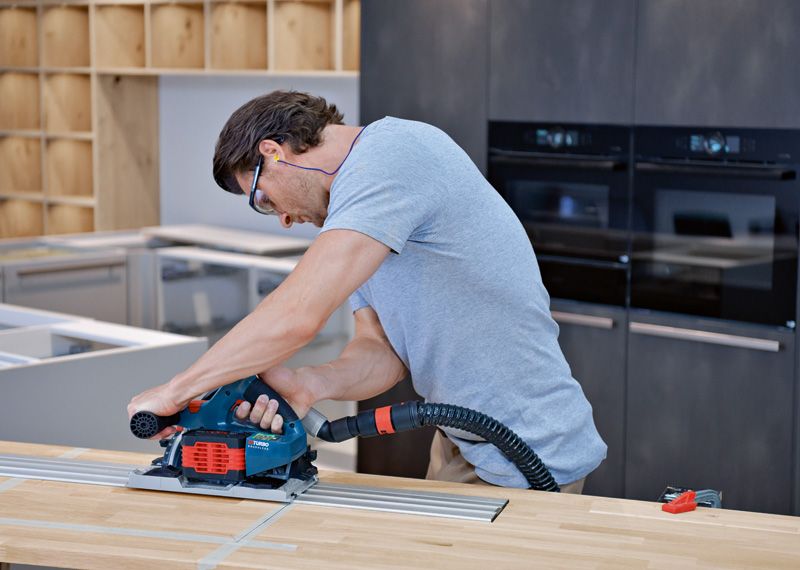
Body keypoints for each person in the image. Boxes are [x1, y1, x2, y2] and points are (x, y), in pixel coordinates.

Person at [127, 90, 606, 492]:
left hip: (532, 446)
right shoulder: (357, 217)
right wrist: (312, 383)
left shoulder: (394, 153)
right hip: (464, 441)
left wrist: (176, 392)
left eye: (264, 199)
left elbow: (297, 315)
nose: (284, 219)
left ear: (274, 152)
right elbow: (382, 351)